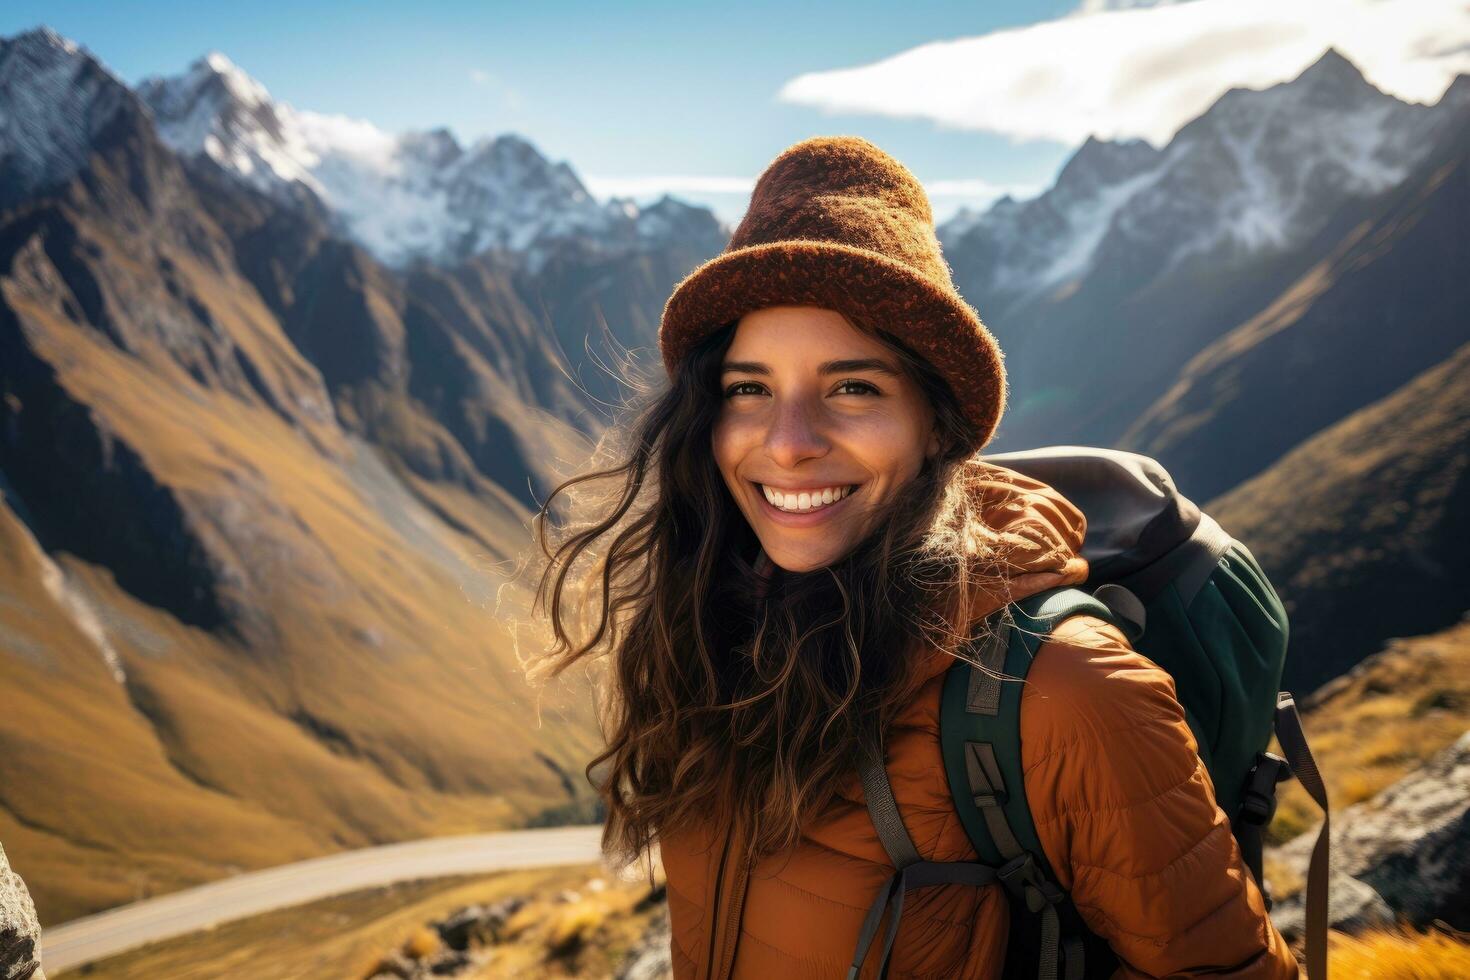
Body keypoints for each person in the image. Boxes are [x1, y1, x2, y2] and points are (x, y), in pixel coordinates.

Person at [528, 135, 1298, 978]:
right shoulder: (720, 637)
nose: (786, 447)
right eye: (748, 389)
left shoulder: (1066, 696)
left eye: (853, 387)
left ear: (937, 425)